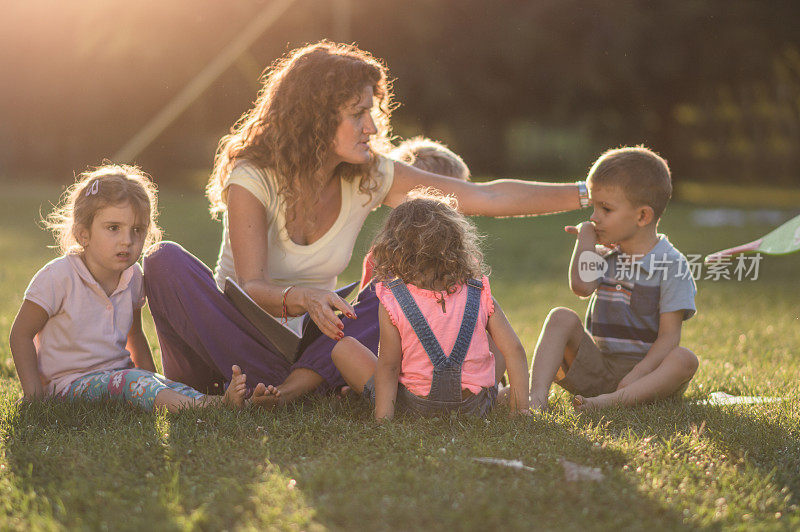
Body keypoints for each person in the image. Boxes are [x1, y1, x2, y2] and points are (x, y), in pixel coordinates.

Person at [143, 41, 589, 408]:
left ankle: (291, 389)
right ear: (316, 116)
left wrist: (587, 193)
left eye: (371, 112)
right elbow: (252, 283)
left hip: (314, 349)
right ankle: (274, 386)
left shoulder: (369, 175)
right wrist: (303, 297)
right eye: (358, 113)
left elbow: (485, 196)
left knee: (386, 291)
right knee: (164, 260)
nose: (372, 126)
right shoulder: (252, 175)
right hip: (237, 336)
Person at [8, 164, 252, 412]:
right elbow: (20, 334)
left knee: (158, 383)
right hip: (68, 386)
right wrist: (35, 396)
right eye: (113, 228)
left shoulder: (133, 276)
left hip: (119, 377)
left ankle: (221, 403)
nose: (127, 240)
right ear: (84, 234)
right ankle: (208, 407)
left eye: (137, 230)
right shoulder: (58, 277)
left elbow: (134, 335)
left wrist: (155, 381)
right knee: (134, 381)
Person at [332, 189, 530, 419]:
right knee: (499, 340)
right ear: (457, 243)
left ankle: (367, 399)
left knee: (343, 348)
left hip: (416, 408)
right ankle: (504, 396)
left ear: (394, 248)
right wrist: (520, 410)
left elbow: (389, 366)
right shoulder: (480, 293)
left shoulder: (393, 300)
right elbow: (515, 351)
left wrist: (383, 420)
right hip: (474, 407)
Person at [527, 146, 699, 412]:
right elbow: (582, 287)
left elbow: (669, 337)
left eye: (605, 209)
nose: (594, 218)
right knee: (560, 316)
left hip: (648, 377)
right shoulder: (603, 253)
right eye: (593, 207)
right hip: (599, 367)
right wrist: (585, 241)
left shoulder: (672, 265)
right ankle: (535, 399)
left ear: (642, 216)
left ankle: (611, 403)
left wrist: (639, 372)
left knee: (685, 359)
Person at [359, 136, 470, 290]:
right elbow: (367, 305)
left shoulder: (459, 254)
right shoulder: (382, 256)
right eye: (451, 202)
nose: (456, 210)